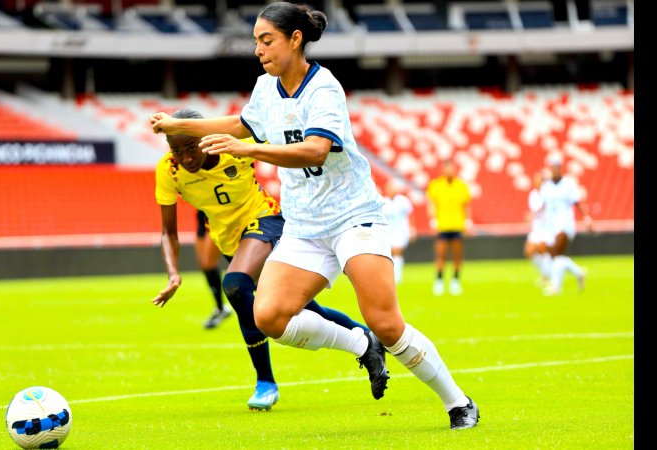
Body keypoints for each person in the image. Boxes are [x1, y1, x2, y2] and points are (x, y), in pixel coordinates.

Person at [150, 2, 479, 430]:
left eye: (266, 41)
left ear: (295, 39)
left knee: (387, 320)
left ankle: (457, 402)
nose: (258, 50)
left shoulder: (325, 89)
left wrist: (250, 150)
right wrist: (177, 125)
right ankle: (361, 343)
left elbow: (315, 150)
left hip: (351, 217)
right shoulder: (265, 88)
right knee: (267, 317)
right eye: (255, 42)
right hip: (304, 225)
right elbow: (243, 124)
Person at [151, 108, 372, 411]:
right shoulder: (169, 170)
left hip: (265, 219)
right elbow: (168, 231)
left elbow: (281, 141)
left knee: (236, 285)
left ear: (205, 136)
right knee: (303, 307)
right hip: (230, 241)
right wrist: (173, 273)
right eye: (177, 150)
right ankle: (368, 338)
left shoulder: (233, 146)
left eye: (191, 147)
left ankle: (265, 382)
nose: (186, 157)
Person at [539, 153, 591, 296]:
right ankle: (579, 273)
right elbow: (543, 205)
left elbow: (577, 202)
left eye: (556, 166)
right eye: (552, 166)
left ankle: (556, 286)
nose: (554, 169)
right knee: (555, 254)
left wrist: (586, 217)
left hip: (565, 223)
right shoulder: (546, 186)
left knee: (556, 251)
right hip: (551, 225)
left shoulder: (569, 184)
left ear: (560, 167)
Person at [426, 160, 472, 296]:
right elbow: (431, 204)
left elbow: (466, 205)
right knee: (441, 255)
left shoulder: (461, 185)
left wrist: (467, 221)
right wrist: (433, 220)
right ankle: (439, 281)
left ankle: (455, 281)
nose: (450, 172)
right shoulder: (436, 185)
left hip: (457, 225)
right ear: (443, 171)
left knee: (457, 255)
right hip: (443, 225)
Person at [195, 210, 233, 329]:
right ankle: (220, 308)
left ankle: (263, 303)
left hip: (215, 215)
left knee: (208, 263)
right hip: (202, 215)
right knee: (205, 265)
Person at [382, 179, 416, 284]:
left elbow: (410, 215)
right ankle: (390, 275)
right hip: (388, 231)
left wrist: (412, 229)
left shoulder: (403, 201)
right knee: (389, 253)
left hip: (401, 231)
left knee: (397, 251)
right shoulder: (383, 202)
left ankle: (397, 276)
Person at [524, 171, 553, 288]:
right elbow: (537, 208)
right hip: (537, 228)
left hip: (548, 228)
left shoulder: (550, 194)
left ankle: (548, 277)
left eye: (538, 180)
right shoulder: (533, 195)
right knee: (529, 251)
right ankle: (547, 274)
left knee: (544, 251)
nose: (536, 183)